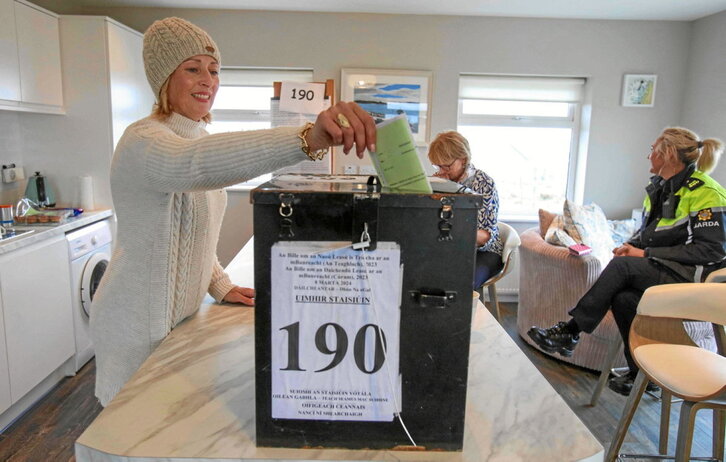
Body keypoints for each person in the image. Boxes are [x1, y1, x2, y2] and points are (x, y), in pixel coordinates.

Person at [90, 17, 376, 406]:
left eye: (214, 70)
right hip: (134, 328)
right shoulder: (143, 140)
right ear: (163, 78)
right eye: (193, 69)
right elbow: (195, 163)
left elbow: (192, 232)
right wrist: (307, 138)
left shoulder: (197, 137)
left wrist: (219, 283)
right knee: (130, 428)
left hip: (177, 326)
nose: (208, 80)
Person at [528, 127, 726, 396]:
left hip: (696, 281)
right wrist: (632, 246)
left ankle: (571, 331)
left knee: (622, 268)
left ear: (668, 155)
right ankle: (642, 375)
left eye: (653, 150)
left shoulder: (707, 192)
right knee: (624, 300)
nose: (648, 156)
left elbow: (711, 251)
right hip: (670, 271)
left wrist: (645, 254)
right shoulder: (660, 188)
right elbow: (651, 234)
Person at [428, 131, 503, 288]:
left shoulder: (484, 183)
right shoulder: (438, 182)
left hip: (483, 251)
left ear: (462, 159)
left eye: (447, 166)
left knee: (461, 283)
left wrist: (450, 230)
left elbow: (485, 237)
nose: (442, 171)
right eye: (438, 166)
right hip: (450, 248)